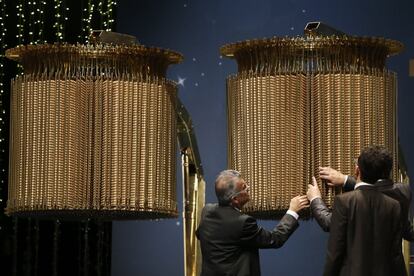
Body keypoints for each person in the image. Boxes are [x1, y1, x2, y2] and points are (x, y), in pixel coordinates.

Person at [195, 169, 309, 276]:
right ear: (235, 199)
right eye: (244, 187)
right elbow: (275, 239)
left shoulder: (207, 211)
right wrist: (292, 211)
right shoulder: (243, 222)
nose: (248, 188)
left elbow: (200, 234)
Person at [318, 146, 406, 275]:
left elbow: (335, 254)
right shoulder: (394, 206)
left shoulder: (344, 201)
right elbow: (396, 255)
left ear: (357, 170)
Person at [307, 151, 414, 241]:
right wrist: (345, 180)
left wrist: (315, 199)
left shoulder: (351, 202)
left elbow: (328, 222)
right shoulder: (403, 191)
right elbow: (379, 190)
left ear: (358, 171)